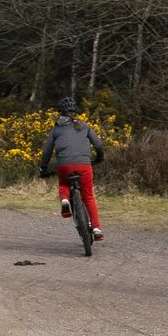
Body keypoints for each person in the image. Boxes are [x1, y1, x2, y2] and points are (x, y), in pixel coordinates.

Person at [37, 97, 107, 240]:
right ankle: (97, 229)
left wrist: (43, 169)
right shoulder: (84, 126)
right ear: (75, 111)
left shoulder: (56, 129)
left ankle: (64, 201)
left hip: (64, 165)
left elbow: (47, 151)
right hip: (84, 164)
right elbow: (98, 145)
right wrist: (99, 158)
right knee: (88, 197)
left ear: (60, 112)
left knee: (64, 184)